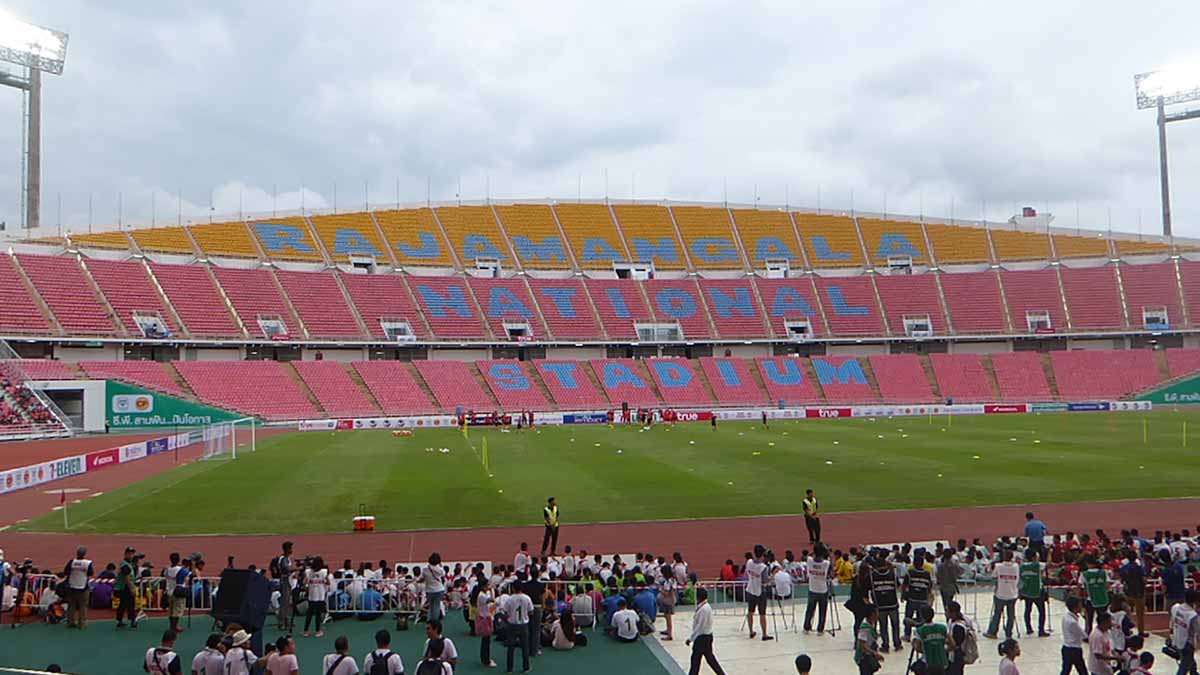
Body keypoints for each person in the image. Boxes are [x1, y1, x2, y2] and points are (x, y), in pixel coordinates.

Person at [686, 589, 726, 675]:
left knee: (696, 660)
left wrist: (691, 638)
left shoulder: (704, 609)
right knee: (709, 659)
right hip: (706, 636)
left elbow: (700, 626)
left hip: (702, 638)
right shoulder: (705, 607)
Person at [985, 549, 1019, 640]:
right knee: (1011, 615)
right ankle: (1009, 633)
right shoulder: (1016, 566)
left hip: (1000, 594)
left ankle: (993, 632)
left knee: (997, 614)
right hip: (1013, 594)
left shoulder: (998, 566)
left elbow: (993, 576)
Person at [868, 553, 899, 652]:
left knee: (883, 626)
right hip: (893, 604)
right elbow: (897, 585)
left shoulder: (873, 576)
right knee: (895, 625)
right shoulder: (892, 574)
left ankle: (885, 645)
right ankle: (897, 644)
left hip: (880, 606)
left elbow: (870, 589)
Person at [904, 550, 935, 642]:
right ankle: (920, 635)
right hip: (923, 600)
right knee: (921, 619)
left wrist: (903, 595)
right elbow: (929, 587)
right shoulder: (927, 574)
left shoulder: (910, 573)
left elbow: (905, 586)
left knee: (908, 617)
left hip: (912, 599)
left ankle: (907, 635)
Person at [914, 605, 955, 675]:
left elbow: (918, 648)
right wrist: (943, 650)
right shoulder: (943, 628)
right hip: (941, 662)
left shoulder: (920, 630)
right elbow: (953, 644)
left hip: (928, 662)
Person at [745, 545, 774, 641]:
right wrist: (772, 576)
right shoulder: (763, 567)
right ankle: (764, 634)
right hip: (760, 592)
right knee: (762, 614)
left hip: (750, 589)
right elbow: (765, 581)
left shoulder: (749, 562)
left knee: (750, 611)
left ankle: (751, 631)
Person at [1018, 547, 1049, 637]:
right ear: (1033, 557)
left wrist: (1020, 591)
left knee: (1028, 610)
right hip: (1038, 592)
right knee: (1042, 612)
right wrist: (1049, 553)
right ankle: (1041, 630)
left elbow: (1021, 580)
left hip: (1027, 592)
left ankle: (1028, 628)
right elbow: (1048, 564)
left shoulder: (1022, 566)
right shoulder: (1038, 565)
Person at [505, 581, 534, 673]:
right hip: (523, 624)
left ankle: (510, 668)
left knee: (510, 647)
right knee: (525, 647)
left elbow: (505, 612)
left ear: (513, 588)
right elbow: (531, 611)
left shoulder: (510, 599)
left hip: (512, 624)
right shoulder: (527, 598)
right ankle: (526, 667)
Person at [63, 545, 93, 629]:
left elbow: (66, 571)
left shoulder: (72, 562)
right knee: (83, 606)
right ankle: (82, 623)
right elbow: (90, 573)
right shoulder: (87, 563)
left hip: (72, 586)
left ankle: (70, 622)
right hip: (83, 587)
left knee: (71, 605)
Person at [1169, 590, 1199, 675]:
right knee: (1184, 667)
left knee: (1188, 659)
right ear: (1195, 601)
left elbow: (1171, 622)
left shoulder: (1175, 607)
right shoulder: (1193, 615)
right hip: (1187, 643)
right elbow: (1198, 631)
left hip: (1176, 639)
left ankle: (1194, 672)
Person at [1118, 550, 1147, 635]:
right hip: (1139, 593)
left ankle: (1126, 630)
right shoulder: (1139, 568)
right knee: (1140, 614)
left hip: (1127, 592)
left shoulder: (1124, 568)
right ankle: (1141, 632)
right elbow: (1144, 579)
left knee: (1126, 613)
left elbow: (1122, 579)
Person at [805, 546, 832, 634]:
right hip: (823, 590)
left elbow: (809, 554)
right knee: (822, 611)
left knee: (810, 609)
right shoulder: (827, 564)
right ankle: (820, 629)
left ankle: (806, 627)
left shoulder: (809, 560)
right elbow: (830, 575)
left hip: (812, 588)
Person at [1081, 557, 1110, 634]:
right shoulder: (1104, 572)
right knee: (1103, 618)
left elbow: (1081, 587)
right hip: (1103, 599)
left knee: (1089, 619)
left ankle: (1088, 634)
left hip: (1090, 599)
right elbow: (1107, 585)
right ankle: (1104, 633)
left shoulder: (1084, 574)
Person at [1061, 596, 1088, 675]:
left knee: (1065, 671)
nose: (1081, 607)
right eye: (1080, 605)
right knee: (1082, 671)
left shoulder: (1066, 617)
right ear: (1075, 607)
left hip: (1066, 647)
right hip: (1074, 650)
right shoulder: (1073, 622)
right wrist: (1087, 620)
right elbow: (1084, 635)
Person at [475, 577, 498, 668]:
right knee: (486, 641)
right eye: (487, 585)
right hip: (484, 618)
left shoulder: (482, 594)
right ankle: (486, 660)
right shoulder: (482, 596)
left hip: (485, 617)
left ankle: (485, 658)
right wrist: (492, 590)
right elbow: (491, 600)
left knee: (486, 640)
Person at [303, 556, 329, 638]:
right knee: (318, 614)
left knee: (309, 614)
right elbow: (328, 582)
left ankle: (305, 631)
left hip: (311, 595)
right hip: (320, 595)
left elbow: (304, 582)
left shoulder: (308, 572)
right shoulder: (323, 572)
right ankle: (318, 631)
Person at [855, 603, 884, 675]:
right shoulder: (865, 627)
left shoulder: (872, 624)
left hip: (869, 655)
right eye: (877, 612)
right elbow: (862, 644)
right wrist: (874, 653)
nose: (878, 614)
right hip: (864, 658)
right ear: (872, 614)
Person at [116, 546, 140, 629]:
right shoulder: (125, 565)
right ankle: (132, 620)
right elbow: (127, 577)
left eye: (132, 554)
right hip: (124, 587)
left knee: (124, 604)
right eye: (129, 554)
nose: (131, 556)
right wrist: (132, 588)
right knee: (129, 604)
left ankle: (121, 620)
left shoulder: (129, 564)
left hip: (125, 587)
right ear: (126, 554)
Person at [273, 541, 295, 631]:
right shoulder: (283, 559)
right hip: (285, 581)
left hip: (288, 581)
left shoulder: (287, 558)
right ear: (287, 549)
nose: (292, 550)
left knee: (287, 602)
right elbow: (286, 568)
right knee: (284, 602)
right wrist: (296, 568)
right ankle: (281, 622)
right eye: (290, 548)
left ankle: (286, 621)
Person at [423, 553, 447, 623]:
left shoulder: (425, 569)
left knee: (431, 606)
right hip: (439, 590)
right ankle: (434, 622)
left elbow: (422, 578)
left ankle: (429, 620)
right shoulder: (439, 570)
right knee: (436, 606)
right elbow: (443, 573)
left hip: (429, 590)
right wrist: (440, 565)